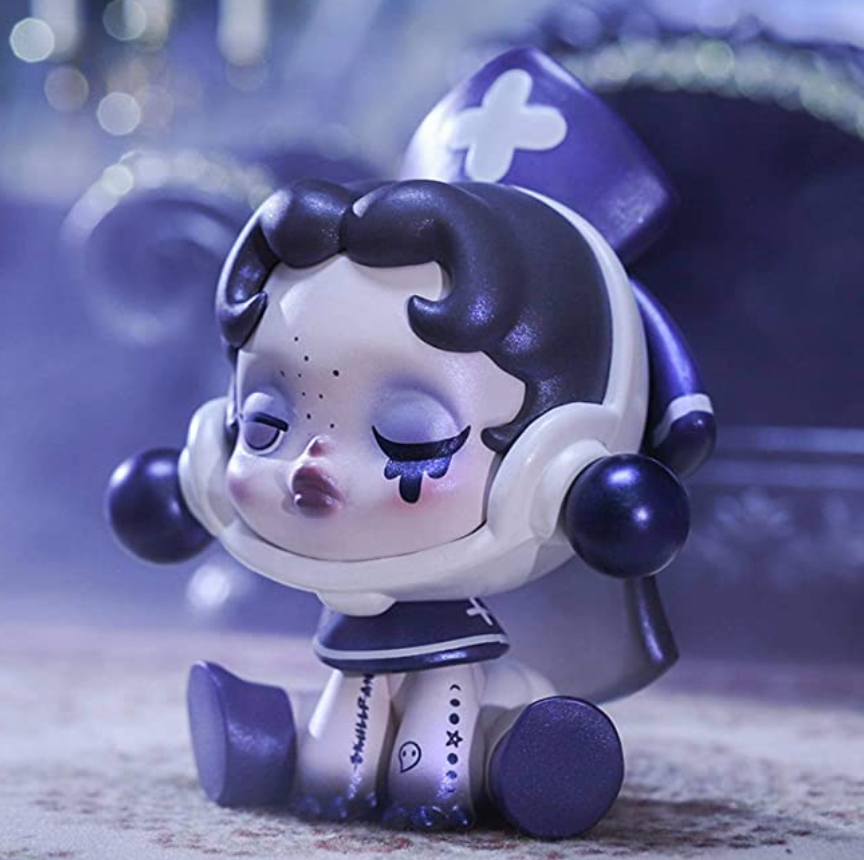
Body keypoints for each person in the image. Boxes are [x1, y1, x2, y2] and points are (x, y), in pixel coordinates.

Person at [106, 48, 715, 839]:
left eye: (408, 439)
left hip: (472, 666)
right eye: (266, 424)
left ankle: (515, 758)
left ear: (558, 459)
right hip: (359, 648)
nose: (312, 467)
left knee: (437, 736)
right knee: (340, 740)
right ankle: (285, 747)